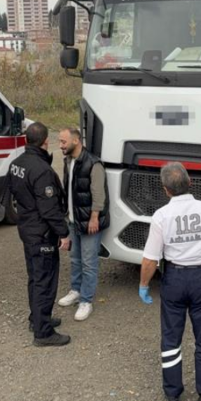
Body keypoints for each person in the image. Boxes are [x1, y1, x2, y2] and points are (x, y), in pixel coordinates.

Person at [139, 162, 201, 401]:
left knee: (171, 337)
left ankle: (172, 396)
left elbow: (151, 258)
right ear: (190, 182)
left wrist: (144, 284)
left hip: (174, 279)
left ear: (165, 190)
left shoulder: (161, 216)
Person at [7, 122, 72, 347]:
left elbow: (13, 193)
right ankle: (43, 333)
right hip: (42, 233)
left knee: (35, 277)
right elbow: (49, 209)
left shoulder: (17, 164)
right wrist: (63, 233)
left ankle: (37, 319)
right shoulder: (42, 170)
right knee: (44, 280)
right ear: (45, 142)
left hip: (27, 229)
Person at [57, 128, 110, 321]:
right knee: (75, 259)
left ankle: (86, 300)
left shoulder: (93, 164)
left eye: (63, 142)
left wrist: (94, 217)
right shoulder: (68, 161)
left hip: (89, 222)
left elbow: (98, 194)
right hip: (73, 219)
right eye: (60, 141)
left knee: (89, 262)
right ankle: (75, 290)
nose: (61, 145)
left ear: (76, 140)